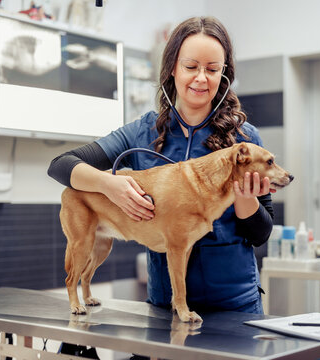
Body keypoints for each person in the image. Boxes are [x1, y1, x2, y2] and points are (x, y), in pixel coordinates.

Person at [48, 16, 274, 319]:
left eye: (212, 69)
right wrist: (110, 185)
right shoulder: (141, 133)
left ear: (225, 74)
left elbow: (261, 233)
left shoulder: (245, 142)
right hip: (166, 308)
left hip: (235, 304)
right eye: (191, 67)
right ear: (172, 68)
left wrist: (244, 196)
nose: (201, 78)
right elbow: (61, 165)